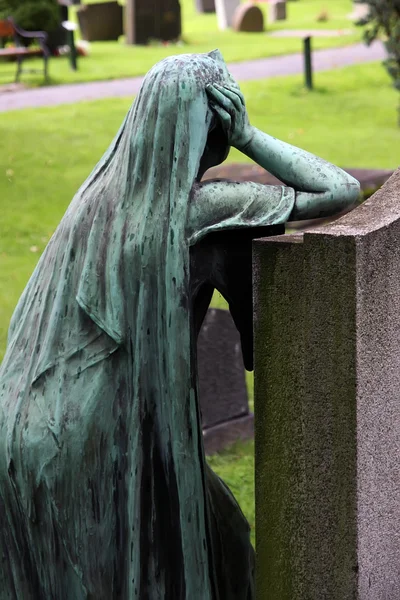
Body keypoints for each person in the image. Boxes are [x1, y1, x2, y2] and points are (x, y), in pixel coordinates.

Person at [0, 50, 360, 599]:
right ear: (213, 122)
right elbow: (339, 189)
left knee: (223, 542)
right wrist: (249, 135)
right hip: (106, 443)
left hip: (25, 430)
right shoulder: (202, 209)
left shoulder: (94, 200)